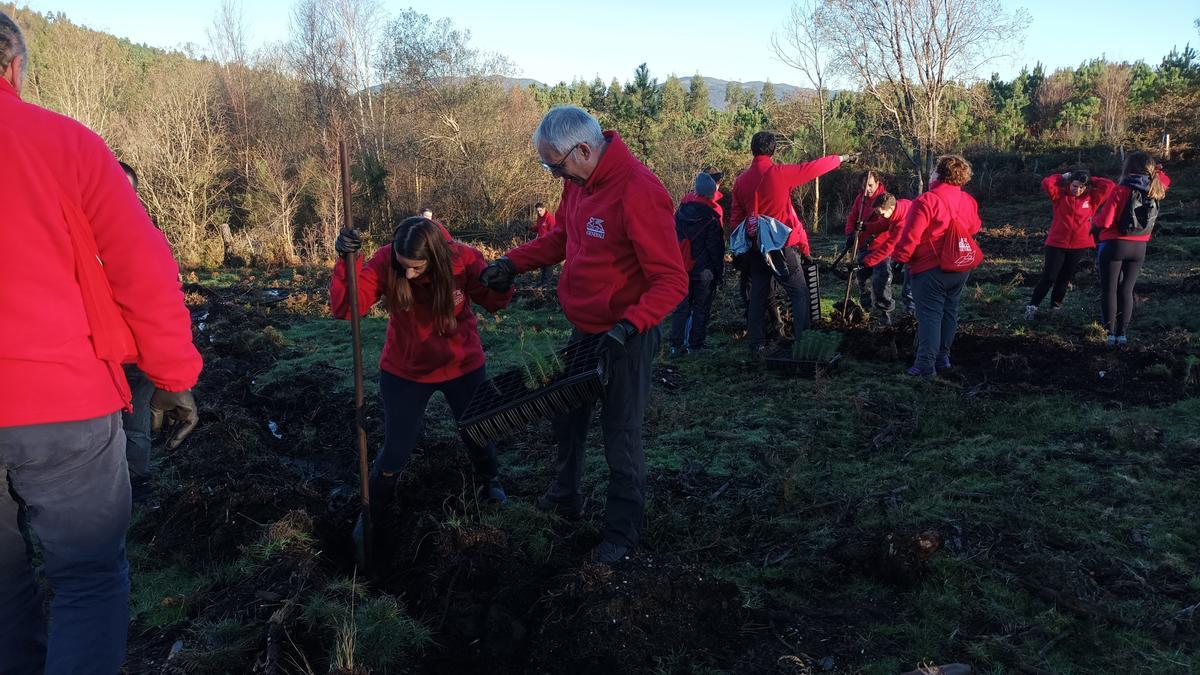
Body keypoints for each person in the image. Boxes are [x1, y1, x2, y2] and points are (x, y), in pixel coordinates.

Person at [0, 13, 202, 674]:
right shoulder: (67, 145)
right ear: (13, 67)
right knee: (87, 579)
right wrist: (172, 376)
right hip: (62, 404)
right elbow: (143, 270)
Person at [478, 105, 687, 564]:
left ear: (584, 150)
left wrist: (627, 326)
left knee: (621, 432)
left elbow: (672, 280)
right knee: (566, 417)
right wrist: (512, 262)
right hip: (587, 329)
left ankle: (621, 533)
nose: (554, 175)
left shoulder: (639, 191)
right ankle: (565, 495)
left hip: (628, 332)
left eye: (555, 165)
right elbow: (562, 240)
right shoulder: (580, 184)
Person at [331, 217, 513, 563]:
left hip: (462, 366)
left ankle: (490, 482)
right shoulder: (387, 260)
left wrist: (501, 284)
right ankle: (371, 513)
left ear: (435, 256)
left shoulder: (464, 258)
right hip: (406, 370)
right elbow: (346, 308)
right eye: (404, 269)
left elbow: (495, 301)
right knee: (396, 450)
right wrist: (347, 263)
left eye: (416, 269)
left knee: (477, 429)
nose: (409, 275)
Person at [730, 131, 854, 353]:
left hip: (756, 247)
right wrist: (841, 158)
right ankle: (802, 341)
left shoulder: (740, 181)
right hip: (780, 247)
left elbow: (736, 219)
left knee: (758, 295)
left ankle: (756, 344)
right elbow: (814, 167)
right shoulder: (779, 174)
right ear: (773, 150)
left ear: (752, 150)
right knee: (798, 292)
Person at [891, 155, 982, 376]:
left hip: (931, 269)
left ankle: (924, 365)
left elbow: (911, 236)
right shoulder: (968, 200)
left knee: (929, 316)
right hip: (960, 267)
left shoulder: (927, 201)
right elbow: (975, 227)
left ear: (938, 173)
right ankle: (943, 358)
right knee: (950, 313)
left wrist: (899, 259)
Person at [117, 161, 162, 507]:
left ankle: (139, 484)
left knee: (135, 423)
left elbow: (159, 298)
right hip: (95, 358)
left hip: (134, 355)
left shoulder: (145, 237)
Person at [1091, 152, 1170, 346]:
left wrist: (1093, 222)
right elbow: (1167, 179)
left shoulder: (1121, 189)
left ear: (1129, 168)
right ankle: (1122, 334)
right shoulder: (1156, 187)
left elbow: (1106, 220)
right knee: (1127, 289)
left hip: (1115, 244)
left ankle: (1109, 334)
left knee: (1109, 290)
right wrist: (1158, 170)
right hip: (1139, 246)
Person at [1024, 168, 1115, 320]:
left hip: (1079, 245)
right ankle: (1032, 307)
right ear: (1069, 183)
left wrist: (1092, 179)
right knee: (1049, 277)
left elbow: (1110, 185)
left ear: (1086, 187)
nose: (1077, 190)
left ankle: (1055, 307)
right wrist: (1062, 176)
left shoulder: (1092, 199)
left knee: (1064, 278)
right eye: (1074, 185)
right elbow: (1047, 182)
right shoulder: (1059, 195)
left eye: (1081, 187)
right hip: (1056, 243)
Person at [669, 172, 725, 356]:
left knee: (681, 308)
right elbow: (715, 250)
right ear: (711, 193)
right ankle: (696, 345)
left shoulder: (681, 211)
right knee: (701, 308)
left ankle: (675, 346)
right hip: (704, 272)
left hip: (682, 267)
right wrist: (719, 273)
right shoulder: (712, 217)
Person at [843, 170, 893, 322]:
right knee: (861, 277)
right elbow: (852, 217)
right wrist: (850, 233)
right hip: (863, 246)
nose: (867, 189)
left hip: (881, 247)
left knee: (881, 281)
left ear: (878, 183)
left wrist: (867, 228)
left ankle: (884, 313)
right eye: (864, 185)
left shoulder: (885, 200)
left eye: (870, 185)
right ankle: (866, 307)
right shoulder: (860, 199)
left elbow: (884, 224)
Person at [860, 192, 914, 324]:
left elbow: (889, 247)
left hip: (919, 251)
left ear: (891, 208)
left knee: (909, 288)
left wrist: (868, 261)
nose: (880, 216)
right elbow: (883, 224)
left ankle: (912, 319)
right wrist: (865, 227)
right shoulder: (895, 209)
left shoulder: (902, 222)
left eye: (881, 213)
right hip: (908, 248)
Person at [530, 202, 558, 286]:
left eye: (540, 211)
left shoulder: (550, 218)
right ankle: (542, 281)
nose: (539, 213)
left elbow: (554, 232)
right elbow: (539, 228)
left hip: (549, 244)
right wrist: (530, 228)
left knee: (548, 263)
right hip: (541, 244)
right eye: (538, 211)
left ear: (544, 209)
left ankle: (547, 283)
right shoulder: (539, 218)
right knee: (542, 263)